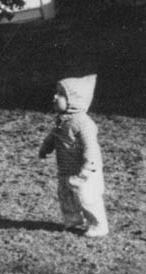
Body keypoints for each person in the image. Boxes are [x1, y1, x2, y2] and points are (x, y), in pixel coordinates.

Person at [39, 74, 109, 237]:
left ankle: (99, 225)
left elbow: (91, 147)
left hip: (84, 171)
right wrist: (45, 147)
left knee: (87, 198)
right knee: (66, 195)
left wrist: (88, 168)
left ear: (75, 100)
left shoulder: (84, 124)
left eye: (61, 94)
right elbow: (54, 136)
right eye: (56, 92)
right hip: (66, 168)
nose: (55, 97)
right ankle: (73, 220)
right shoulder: (62, 121)